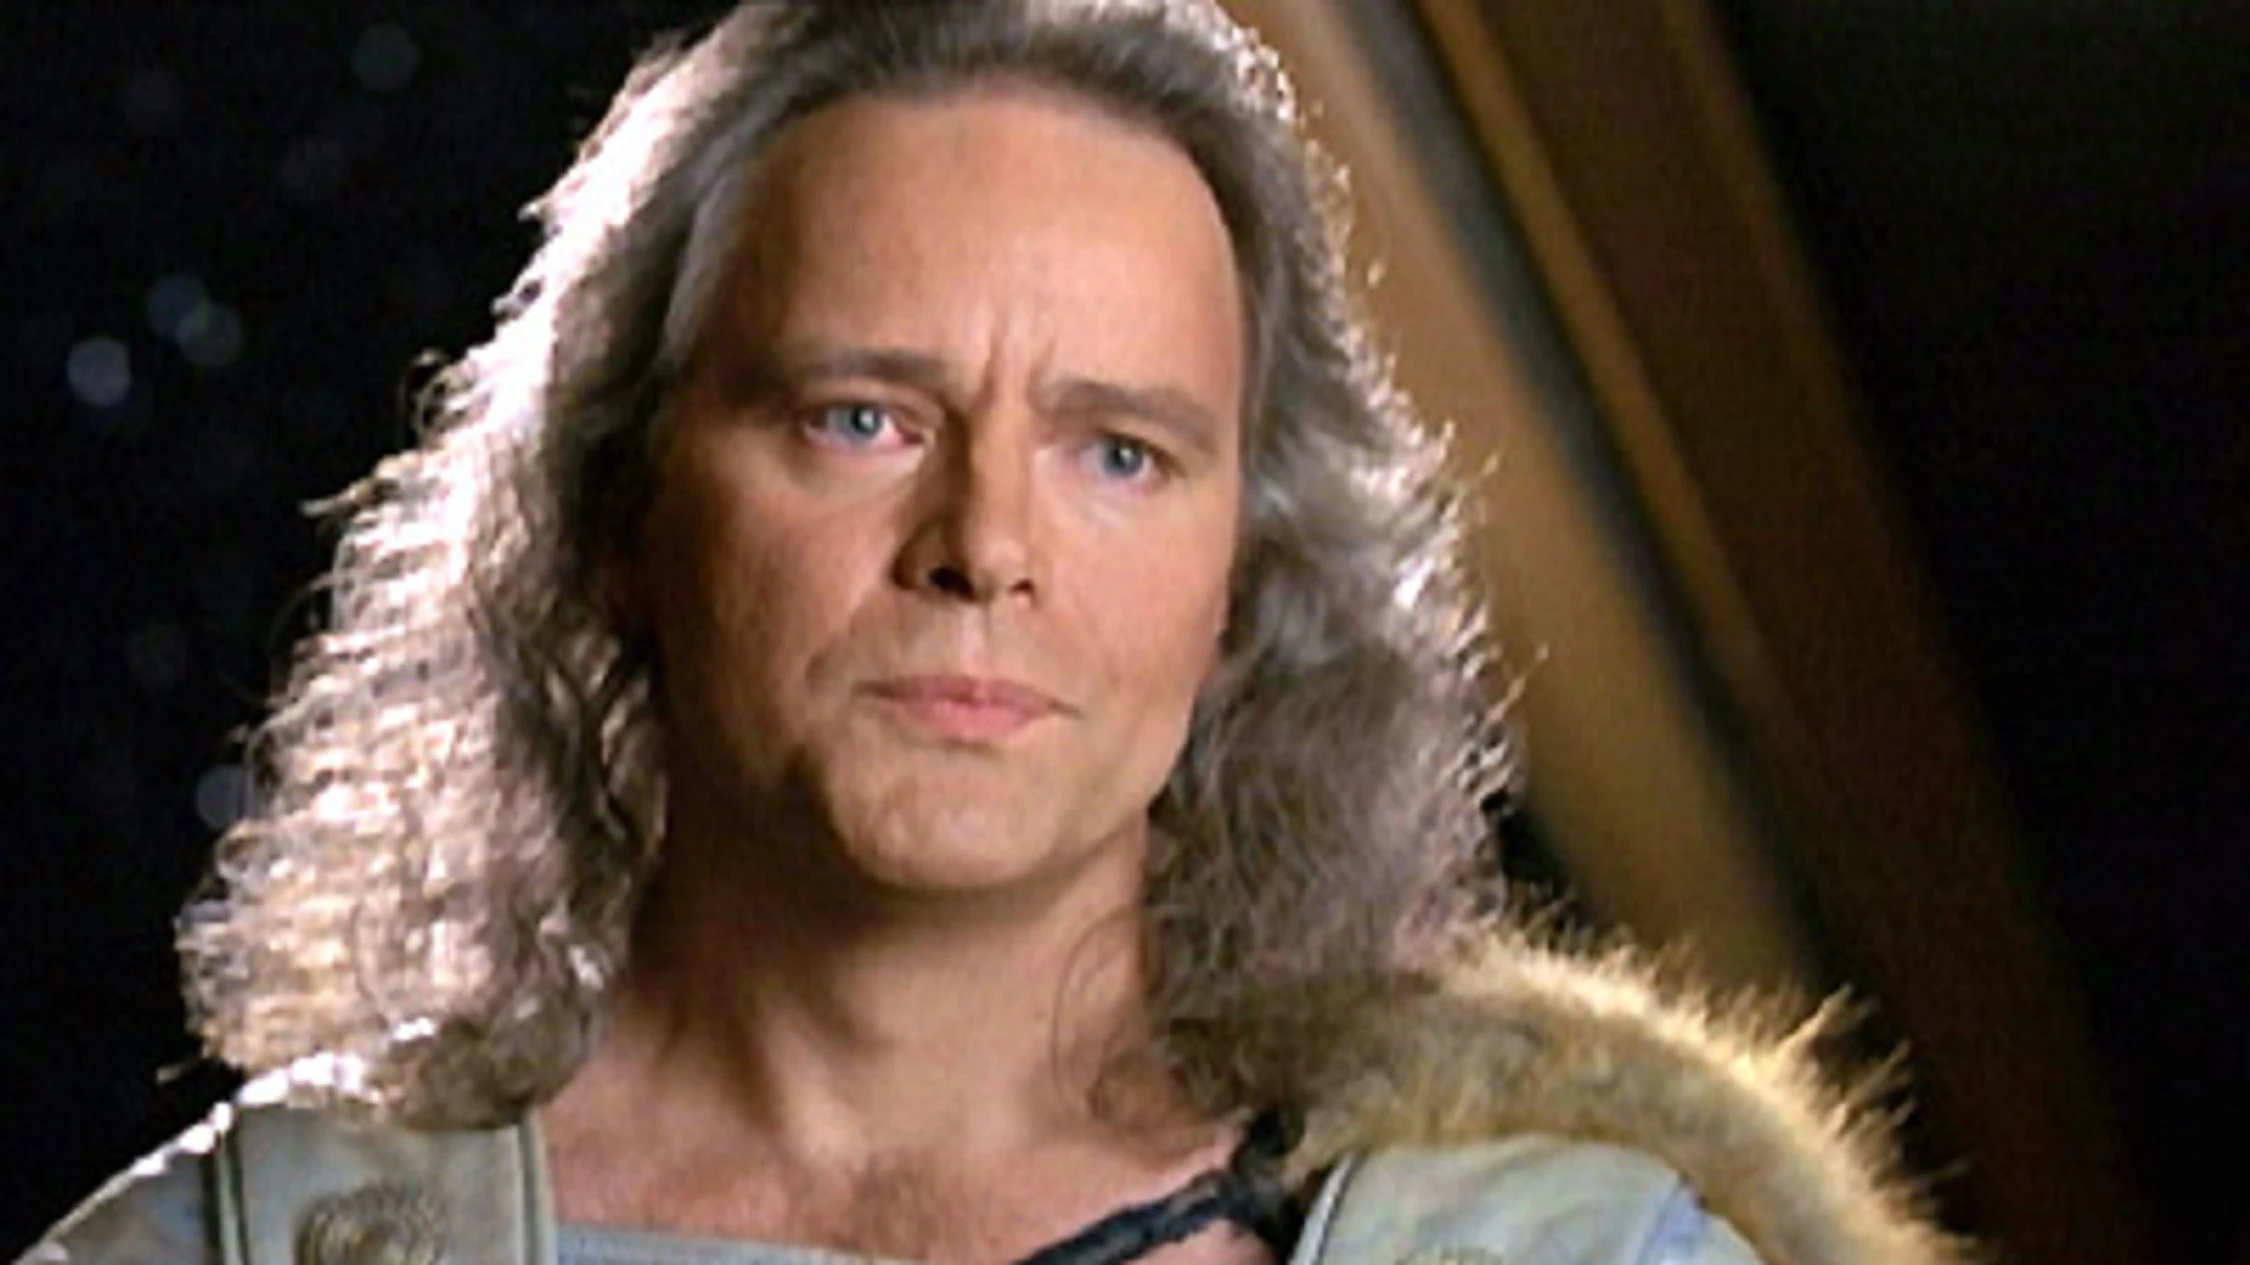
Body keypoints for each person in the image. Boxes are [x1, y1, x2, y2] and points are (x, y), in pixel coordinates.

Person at [22, 4, 1963, 1264]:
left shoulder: (1583, 1255)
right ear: (621, 512)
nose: (984, 548)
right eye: (860, 418)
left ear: (1239, 587)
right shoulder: (230, 1250)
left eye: (1119, 452)